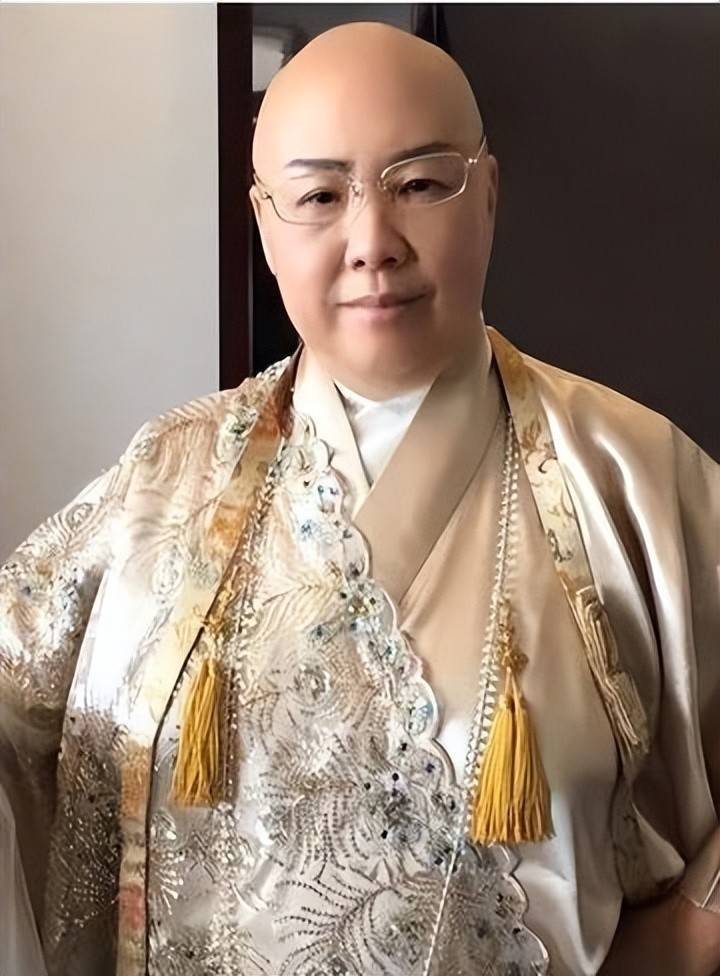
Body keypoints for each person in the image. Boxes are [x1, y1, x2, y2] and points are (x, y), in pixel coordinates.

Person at [1, 20, 718, 976]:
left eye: (420, 184)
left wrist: (697, 929)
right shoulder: (167, 479)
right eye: (320, 196)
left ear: (489, 195)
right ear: (264, 223)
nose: (374, 243)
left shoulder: (630, 474)